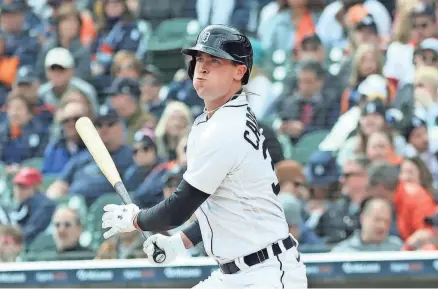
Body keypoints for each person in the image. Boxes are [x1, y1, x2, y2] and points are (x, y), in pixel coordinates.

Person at [101, 24, 308, 288]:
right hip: (238, 272)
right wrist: (179, 243)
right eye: (199, 58)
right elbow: (223, 207)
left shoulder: (225, 129)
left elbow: (179, 207)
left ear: (239, 71)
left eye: (215, 60)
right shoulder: (213, 122)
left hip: (265, 273)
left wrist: (135, 219)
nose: (203, 66)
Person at [331, 196, 403, 252]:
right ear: (363, 219)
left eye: (387, 221)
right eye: (377, 220)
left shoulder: (397, 247)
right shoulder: (343, 251)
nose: (382, 226)